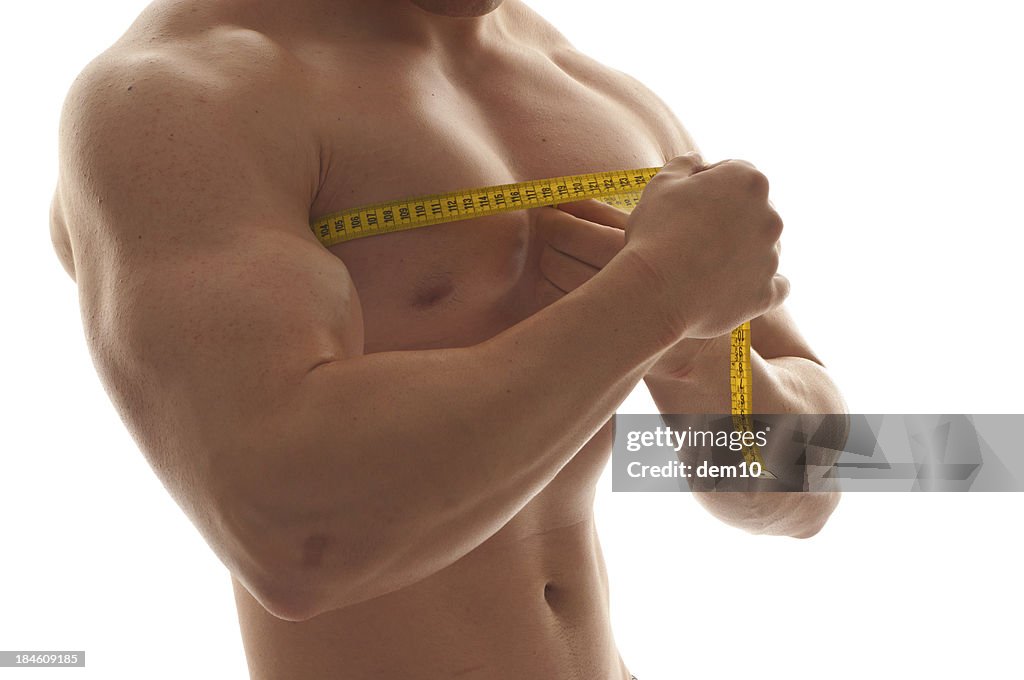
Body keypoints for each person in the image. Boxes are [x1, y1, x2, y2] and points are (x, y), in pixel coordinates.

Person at [50, 0, 845, 677]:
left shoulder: (595, 88)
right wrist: (654, 300)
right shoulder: (177, 97)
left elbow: (809, 492)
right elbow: (293, 537)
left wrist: (699, 355)